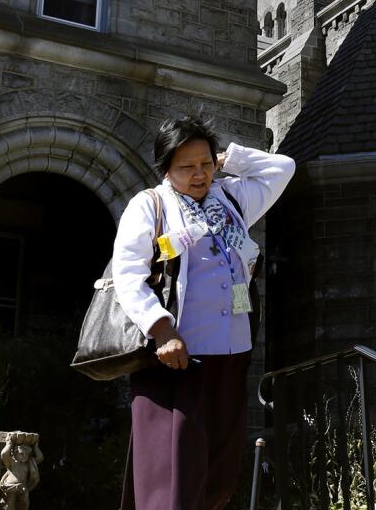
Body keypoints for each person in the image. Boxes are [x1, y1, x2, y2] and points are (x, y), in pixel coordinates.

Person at [112, 115, 295, 510]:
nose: (199, 174)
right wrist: (161, 329)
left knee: (218, 475)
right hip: (177, 358)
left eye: (205, 163)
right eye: (186, 166)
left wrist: (229, 159)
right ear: (165, 168)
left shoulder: (230, 199)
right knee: (173, 476)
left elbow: (283, 167)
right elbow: (128, 274)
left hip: (230, 354)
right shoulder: (150, 205)